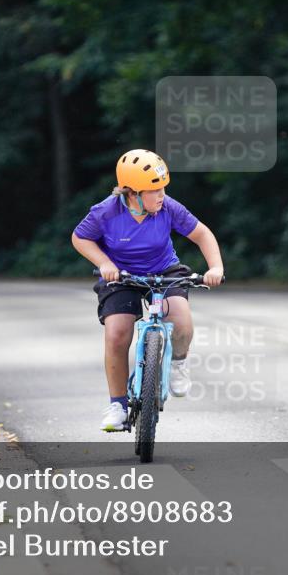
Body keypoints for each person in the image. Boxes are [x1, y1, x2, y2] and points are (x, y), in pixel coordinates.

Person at [71, 149, 224, 431]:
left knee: (181, 322)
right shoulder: (106, 212)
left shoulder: (168, 207)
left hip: (164, 270)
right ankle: (117, 405)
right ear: (133, 193)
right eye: (154, 190)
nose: (162, 195)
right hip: (122, 275)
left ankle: (178, 362)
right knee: (117, 333)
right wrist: (104, 262)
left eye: (163, 187)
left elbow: (202, 234)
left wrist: (215, 268)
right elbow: (80, 238)